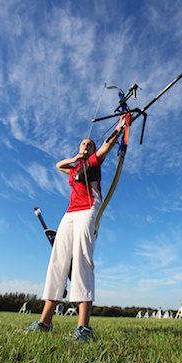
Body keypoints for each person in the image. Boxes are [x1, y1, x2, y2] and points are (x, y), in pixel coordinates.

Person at [25, 116, 125, 341]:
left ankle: (83, 329)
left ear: (93, 150)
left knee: (81, 259)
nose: (87, 146)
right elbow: (59, 165)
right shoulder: (74, 167)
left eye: (90, 145)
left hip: (88, 209)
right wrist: (75, 158)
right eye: (83, 144)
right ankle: (44, 322)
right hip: (70, 213)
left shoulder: (93, 163)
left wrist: (120, 127)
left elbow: (107, 146)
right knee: (58, 260)